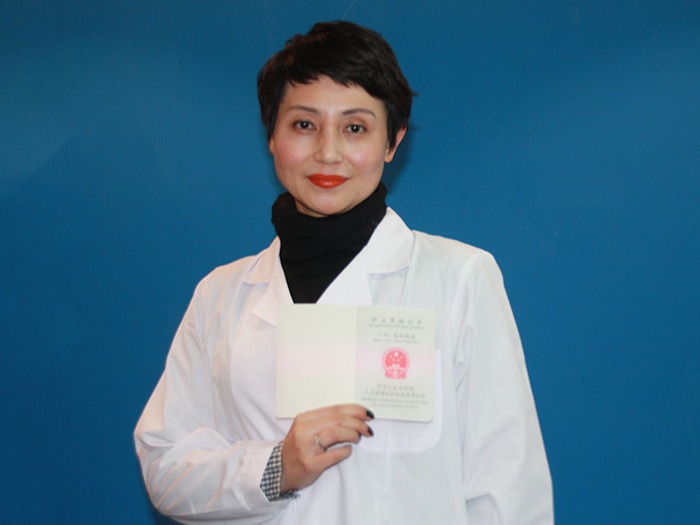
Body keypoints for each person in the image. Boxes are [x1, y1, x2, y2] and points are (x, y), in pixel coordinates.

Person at [134, 20, 553, 524]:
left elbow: (507, 487)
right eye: (303, 125)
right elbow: (166, 466)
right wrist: (277, 467)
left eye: (355, 128)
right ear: (272, 137)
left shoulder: (458, 279)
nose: (327, 153)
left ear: (392, 142)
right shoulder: (221, 295)